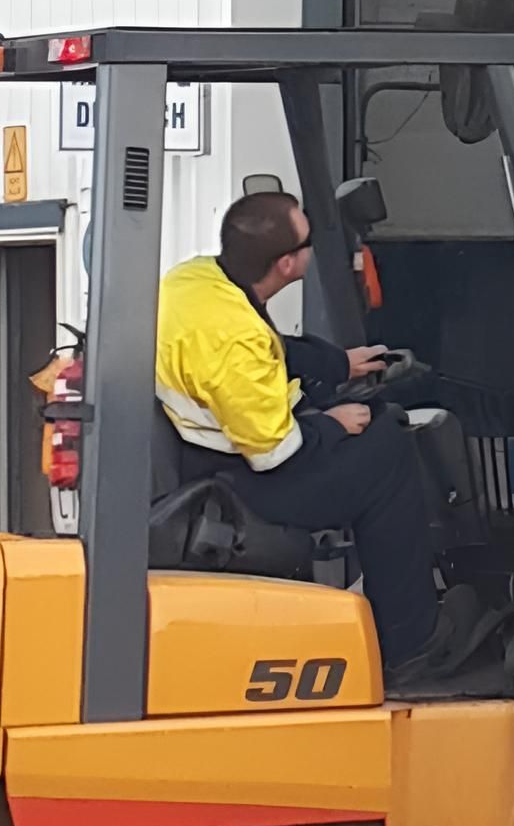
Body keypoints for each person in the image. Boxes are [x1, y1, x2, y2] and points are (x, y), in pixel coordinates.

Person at [155, 189, 478, 695]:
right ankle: (414, 645)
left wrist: (339, 364)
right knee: (388, 451)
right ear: (288, 263)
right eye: (308, 241)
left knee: (376, 421)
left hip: (213, 456)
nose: (313, 247)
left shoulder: (196, 281)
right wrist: (334, 424)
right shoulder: (234, 341)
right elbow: (274, 454)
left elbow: (271, 350)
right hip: (244, 482)